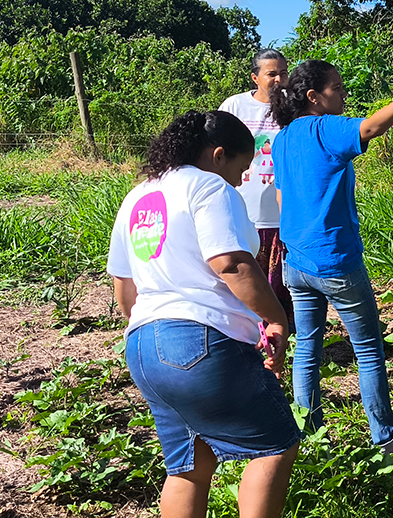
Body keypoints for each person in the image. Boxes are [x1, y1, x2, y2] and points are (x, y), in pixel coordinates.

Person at [107, 110, 297, 518]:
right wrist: (276, 318)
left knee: (189, 465)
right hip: (200, 341)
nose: (240, 181)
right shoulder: (209, 186)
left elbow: (124, 288)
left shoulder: (138, 196)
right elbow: (230, 264)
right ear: (218, 155)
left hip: (143, 347)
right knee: (275, 444)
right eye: (240, 169)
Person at [270, 59, 393, 452]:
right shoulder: (324, 128)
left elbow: (282, 199)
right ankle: (386, 440)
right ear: (314, 97)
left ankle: (310, 436)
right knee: (368, 349)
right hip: (335, 259)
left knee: (308, 348)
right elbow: (369, 128)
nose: (344, 94)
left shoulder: (282, 139)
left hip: (296, 261)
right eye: (336, 88)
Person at [219, 49, 291, 323]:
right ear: (255, 78)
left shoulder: (293, 108)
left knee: (281, 287)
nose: (279, 79)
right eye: (271, 74)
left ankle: (283, 335)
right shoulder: (235, 106)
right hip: (243, 212)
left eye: (283, 73)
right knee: (243, 284)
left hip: (281, 215)